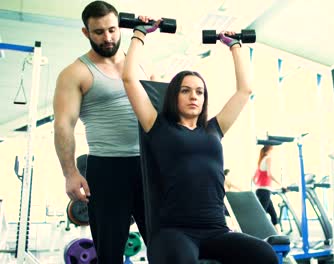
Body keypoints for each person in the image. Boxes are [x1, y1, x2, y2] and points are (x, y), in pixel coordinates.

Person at [122, 17, 278, 264]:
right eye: (185, 90)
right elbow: (129, 78)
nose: (194, 96)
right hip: (174, 231)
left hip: (216, 230)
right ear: (174, 96)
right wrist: (140, 33)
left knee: (264, 255)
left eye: (199, 91)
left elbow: (245, 89)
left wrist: (235, 46)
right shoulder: (157, 125)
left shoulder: (214, 128)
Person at [53, 1, 152, 262]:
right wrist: (70, 173)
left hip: (147, 166)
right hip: (108, 168)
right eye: (98, 32)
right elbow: (64, 124)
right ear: (86, 32)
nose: (107, 38)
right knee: (110, 252)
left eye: (112, 30)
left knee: (163, 242)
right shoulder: (75, 73)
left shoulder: (139, 64)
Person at [253, 145, 282, 231]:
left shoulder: (261, 160)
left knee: (273, 214)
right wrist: (281, 184)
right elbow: (270, 174)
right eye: (272, 150)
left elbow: (254, 178)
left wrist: (260, 184)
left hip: (260, 190)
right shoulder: (268, 158)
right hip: (265, 190)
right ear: (268, 150)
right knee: (262, 215)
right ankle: (256, 234)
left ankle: (279, 236)